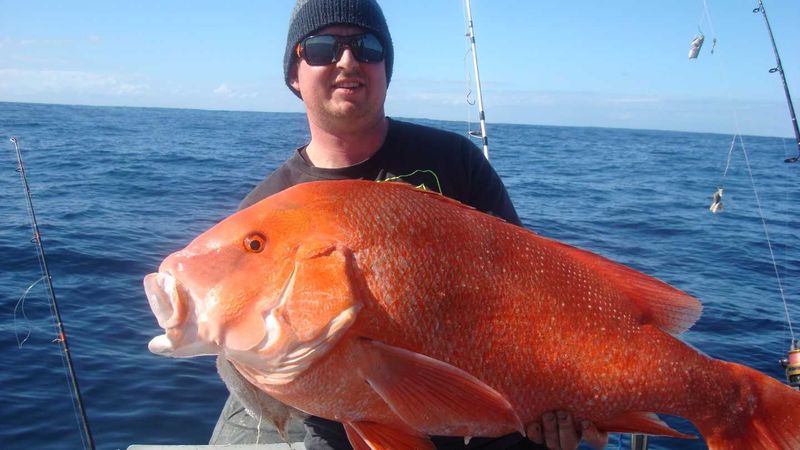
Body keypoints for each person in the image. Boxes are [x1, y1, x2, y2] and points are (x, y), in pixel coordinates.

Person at [211, 1, 608, 449]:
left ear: (386, 67)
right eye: (322, 48)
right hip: (351, 432)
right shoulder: (264, 213)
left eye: (368, 46)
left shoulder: (455, 161)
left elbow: (535, 284)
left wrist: (566, 392)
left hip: (503, 417)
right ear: (293, 75)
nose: (347, 61)